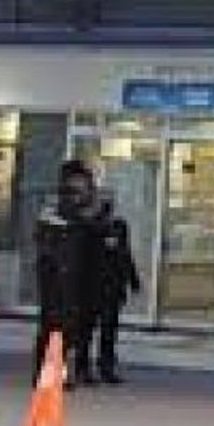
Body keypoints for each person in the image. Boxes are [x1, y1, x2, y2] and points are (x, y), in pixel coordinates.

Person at [33, 159, 101, 389]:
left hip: (65, 272)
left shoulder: (65, 204)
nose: (85, 185)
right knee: (55, 325)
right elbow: (78, 228)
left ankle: (52, 372)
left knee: (61, 326)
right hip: (58, 273)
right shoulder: (63, 204)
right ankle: (48, 374)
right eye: (82, 180)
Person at [91, 197, 140, 384]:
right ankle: (85, 367)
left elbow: (125, 254)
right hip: (95, 286)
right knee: (89, 329)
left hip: (112, 288)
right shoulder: (92, 228)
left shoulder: (118, 227)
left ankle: (106, 366)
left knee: (109, 329)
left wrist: (133, 280)